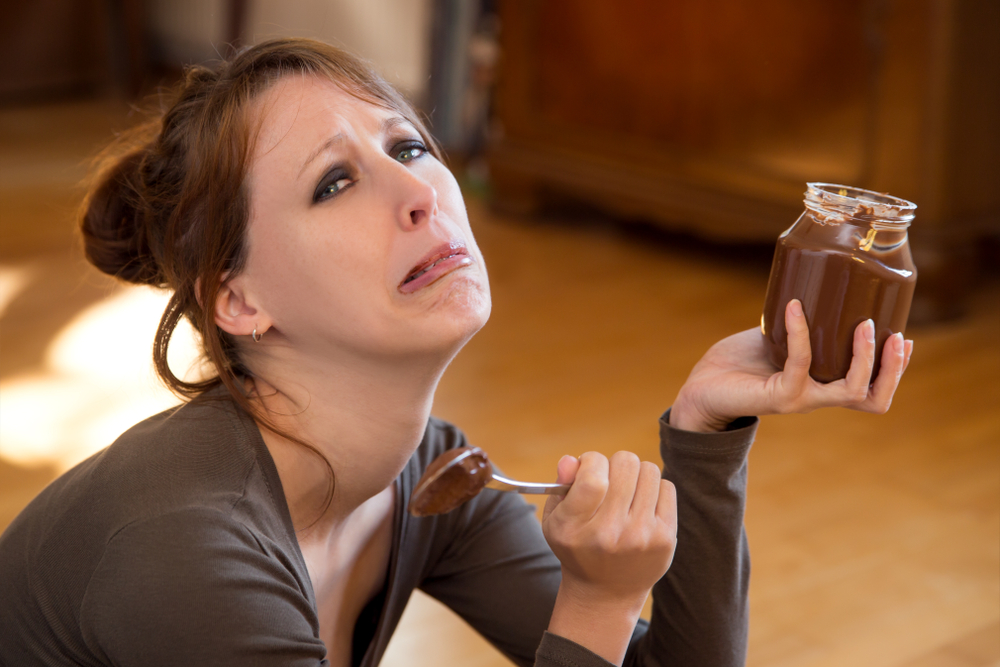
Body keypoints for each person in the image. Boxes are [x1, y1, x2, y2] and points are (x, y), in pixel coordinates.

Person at [0, 39, 912, 667]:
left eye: (410, 145)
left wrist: (706, 433)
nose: (418, 193)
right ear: (239, 299)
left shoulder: (434, 479)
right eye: (334, 182)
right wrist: (591, 606)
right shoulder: (186, 548)